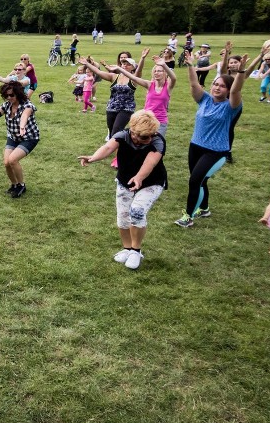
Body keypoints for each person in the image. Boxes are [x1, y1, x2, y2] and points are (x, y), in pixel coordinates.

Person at [78, 110, 167, 270]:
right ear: (131, 129)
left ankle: (136, 251)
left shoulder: (157, 141)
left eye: (146, 137)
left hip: (152, 182)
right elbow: (107, 148)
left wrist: (139, 177)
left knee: (137, 211)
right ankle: (127, 249)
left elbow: (150, 163)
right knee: (123, 215)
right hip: (125, 180)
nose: (141, 140)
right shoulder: (122, 135)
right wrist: (93, 158)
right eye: (138, 136)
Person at [174, 50, 247, 227]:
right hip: (196, 146)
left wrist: (242, 71)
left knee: (195, 181)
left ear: (228, 90)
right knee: (200, 179)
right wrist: (190, 65)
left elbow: (237, 89)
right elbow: (193, 85)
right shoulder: (204, 99)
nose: (216, 87)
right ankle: (204, 208)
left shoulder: (231, 106)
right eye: (215, 84)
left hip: (216, 151)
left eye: (221, 86)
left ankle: (188, 217)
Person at [112, 53, 176, 136]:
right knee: (141, 142)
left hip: (160, 121)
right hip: (145, 119)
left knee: (156, 144)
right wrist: (119, 69)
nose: (156, 73)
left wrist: (164, 65)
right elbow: (134, 78)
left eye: (159, 71)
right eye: (155, 71)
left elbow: (173, 78)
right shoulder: (150, 84)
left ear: (165, 73)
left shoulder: (168, 87)